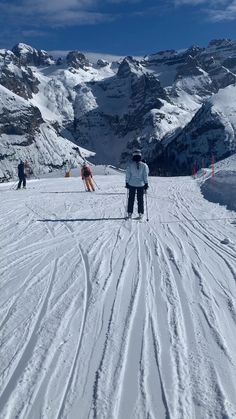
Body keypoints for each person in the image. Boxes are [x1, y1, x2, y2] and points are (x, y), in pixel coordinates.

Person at [125, 149, 149, 219]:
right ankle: (140, 213)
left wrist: (127, 183)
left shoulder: (130, 165)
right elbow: (145, 175)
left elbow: (128, 175)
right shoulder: (144, 165)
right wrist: (146, 183)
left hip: (131, 184)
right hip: (141, 185)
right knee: (140, 199)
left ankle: (129, 213)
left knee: (131, 199)